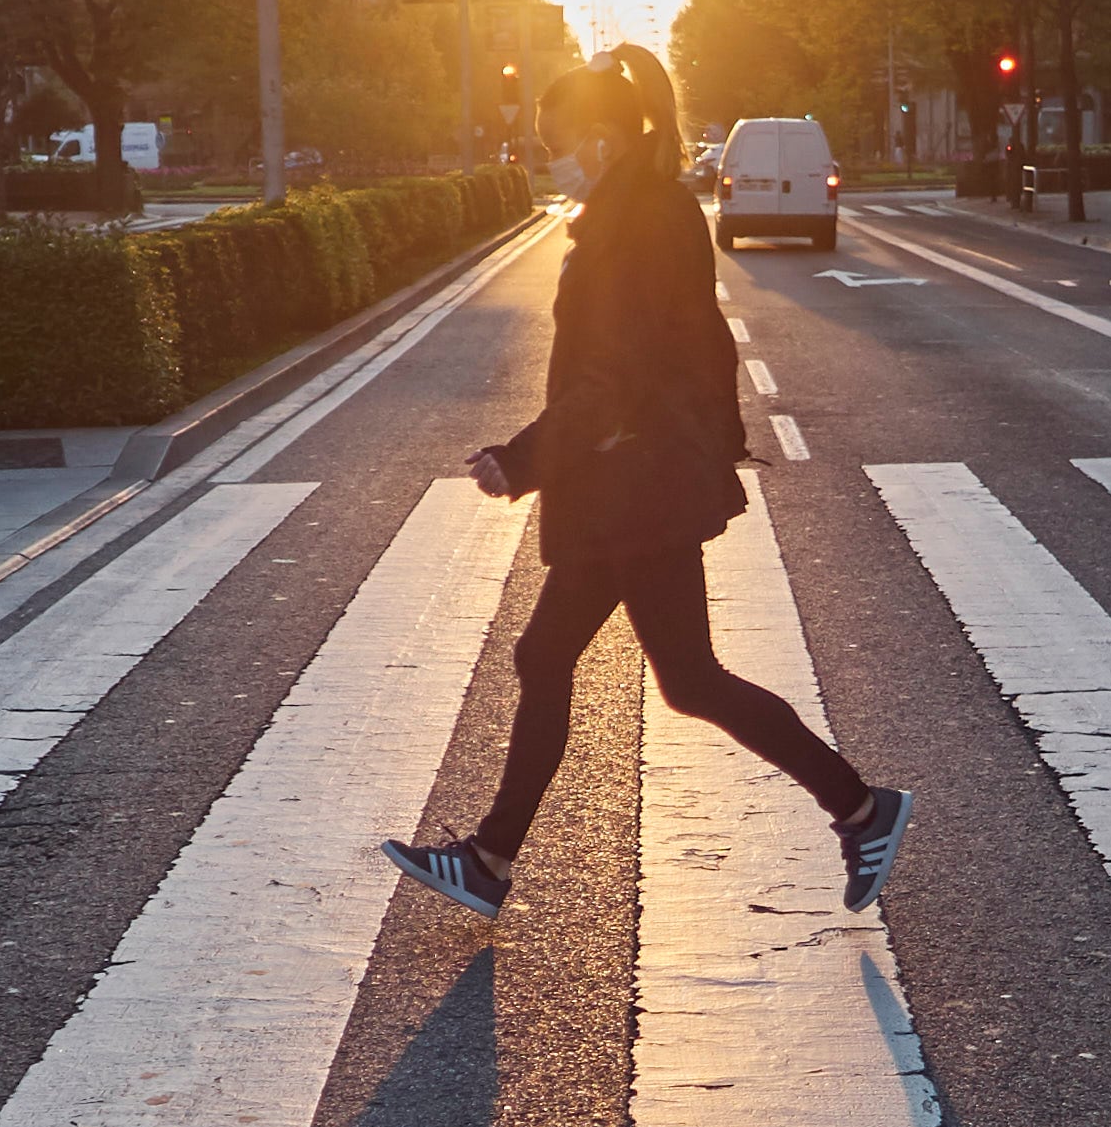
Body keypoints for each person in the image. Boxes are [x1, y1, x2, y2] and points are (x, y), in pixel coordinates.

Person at [384, 46, 914, 920]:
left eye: (550, 141)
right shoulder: (638, 207)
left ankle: (861, 808)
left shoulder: (637, 220)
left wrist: (520, 459)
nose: (541, 156)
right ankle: (488, 860)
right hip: (628, 484)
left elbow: (612, 376)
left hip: (638, 487)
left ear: (595, 139)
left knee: (688, 678)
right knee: (556, 657)